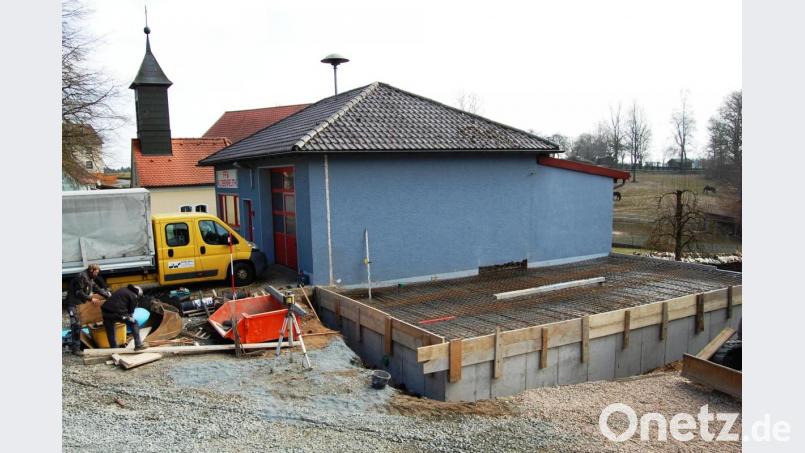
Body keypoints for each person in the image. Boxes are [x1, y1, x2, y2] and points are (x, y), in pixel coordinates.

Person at [65, 264, 111, 354]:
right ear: (91, 270)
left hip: (80, 303)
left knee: (81, 324)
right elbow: (78, 292)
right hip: (73, 303)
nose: (97, 274)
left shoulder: (90, 277)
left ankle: (80, 344)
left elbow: (96, 288)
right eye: (96, 272)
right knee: (76, 325)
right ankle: (76, 349)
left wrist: (107, 296)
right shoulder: (82, 277)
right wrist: (91, 299)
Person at [102, 284, 149, 350]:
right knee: (134, 323)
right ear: (138, 295)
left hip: (105, 312)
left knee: (111, 331)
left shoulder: (123, 289)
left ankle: (114, 349)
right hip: (118, 313)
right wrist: (129, 320)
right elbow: (131, 313)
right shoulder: (133, 296)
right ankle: (138, 345)